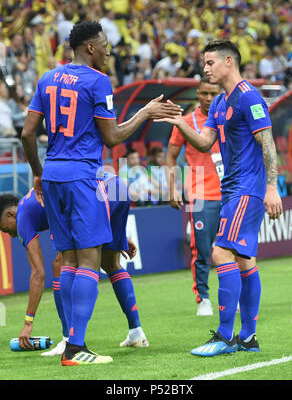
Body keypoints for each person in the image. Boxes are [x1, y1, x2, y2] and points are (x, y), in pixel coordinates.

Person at [21, 21, 182, 366]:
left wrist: (38, 171)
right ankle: (76, 349)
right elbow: (112, 137)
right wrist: (145, 112)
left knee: (69, 261)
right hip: (82, 178)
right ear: (90, 47)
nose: (110, 50)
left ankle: (71, 342)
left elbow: (27, 134)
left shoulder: (47, 78)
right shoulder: (98, 81)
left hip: (52, 176)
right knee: (91, 262)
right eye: (106, 45)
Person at [156, 40, 282, 357]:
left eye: (210, 62)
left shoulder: (248, 96)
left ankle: (225, 337)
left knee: (219, 254)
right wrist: (181, 123)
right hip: (232, 190)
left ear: (229, 61)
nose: (205, 68)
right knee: (244, 260)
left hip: (248, 189)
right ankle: (248, 338)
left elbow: (268, 143)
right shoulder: (217, 103)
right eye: (204, 63)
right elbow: (204, 142)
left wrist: (271, 187)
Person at [0, 174, 149, 356]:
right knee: (111, 264)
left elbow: (38, 274)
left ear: (10, 214)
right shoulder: (32, 202)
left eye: (5, 229)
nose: (9, 235)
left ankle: (67, 340)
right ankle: (136, 332)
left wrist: (27, 322)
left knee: (60, 264)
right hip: (116, 186)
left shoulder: (22, 217)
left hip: (94, 193)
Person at [166, 76, 222, 316]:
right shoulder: (186, 122)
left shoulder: (227, 118)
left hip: (229, 194)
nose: (208, 98)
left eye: (213, 94)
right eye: (204, 93)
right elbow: (170, 156)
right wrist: (172, 188)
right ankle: (204, 298)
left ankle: (233, 296)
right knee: (202, 250)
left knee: (233, 249)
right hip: (200, 195)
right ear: (197, 94)